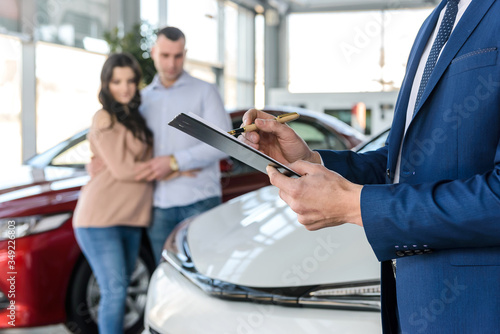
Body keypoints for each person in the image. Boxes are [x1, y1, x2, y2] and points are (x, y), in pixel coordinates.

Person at [240, 0, 500, 333]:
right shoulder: (434, 24)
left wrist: (356, 205)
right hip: (412, 305)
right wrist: (309, 161)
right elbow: (403, 160)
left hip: (478, 311)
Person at [134, 26, 231, 264]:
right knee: (165, 277)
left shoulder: (205, 91)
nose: (171, 64)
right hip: (158, 205)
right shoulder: (143, 99)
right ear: (154, 52)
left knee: (207, 272)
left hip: (200, 200)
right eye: (165, 56)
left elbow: (223, 143)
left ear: (184, 53)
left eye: (178, 56)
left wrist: (175, 162)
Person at [73, 53, 154, 333]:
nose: (124, 87)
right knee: (115, 291)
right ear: (106, 84)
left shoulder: (135, 117)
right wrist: (164, 167)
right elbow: (121, 170)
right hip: (99, 219)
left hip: (130, 218)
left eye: (130, 81)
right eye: (117, 81)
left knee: (122, 289)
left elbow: (127, 164)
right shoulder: (104, 116)